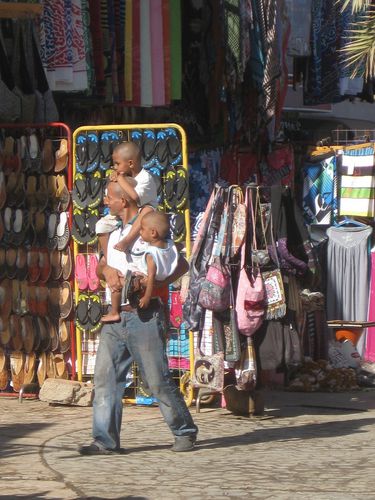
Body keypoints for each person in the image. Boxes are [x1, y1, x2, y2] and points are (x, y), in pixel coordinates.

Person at [79, 181, 198, 455]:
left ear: (124, 201)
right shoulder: (111, 231)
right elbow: (101, 265)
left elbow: (180, 264)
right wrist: (105, 272)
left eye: (109, 197)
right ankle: (104, 440)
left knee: (157, 378)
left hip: (144, 315)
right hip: (116, 315)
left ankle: (184, 431)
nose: (105, 201)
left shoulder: (148, 231)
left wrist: (155, 283)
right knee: (105, 379)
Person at [95, 141, 158, 261]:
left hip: (145, 211)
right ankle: (109, 258)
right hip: (127, 211)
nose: (115, 167)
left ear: (130, 163)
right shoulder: (125, 175)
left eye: (117, 164)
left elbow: (134, 197)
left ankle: (127, 240)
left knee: (147, 210)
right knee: (101, 225)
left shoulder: (145, 178)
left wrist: (120, 178)